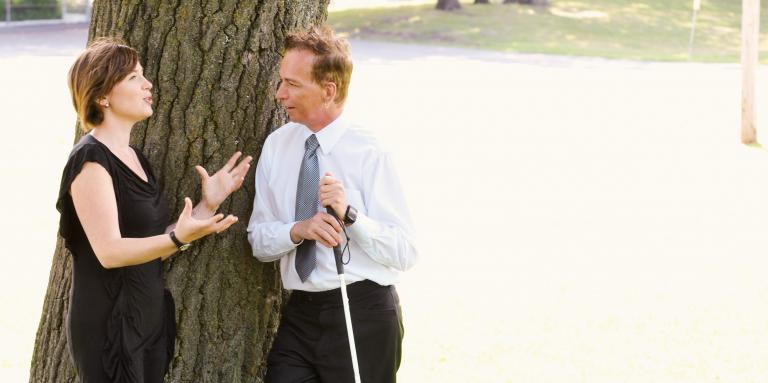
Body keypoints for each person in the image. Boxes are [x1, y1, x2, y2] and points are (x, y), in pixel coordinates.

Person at [58, 38, 252, 382]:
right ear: (102, 96)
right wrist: (178, 238)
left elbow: (150, 247)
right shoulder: (89, 160)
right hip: (108, 327)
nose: (148, 84)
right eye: (134, 78)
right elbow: (110, 252)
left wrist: (210, 204)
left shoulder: (136, 159)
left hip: (146, 320)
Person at [247, 26, 418, 383]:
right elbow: (259, 240)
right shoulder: (277, 146)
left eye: (292, 85)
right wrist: (298, 230)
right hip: (301, 315)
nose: (279, 94)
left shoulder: (370, 152)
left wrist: (350, 214)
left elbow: (405, 252)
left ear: (328, 90)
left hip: (363, 314)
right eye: (282, 82)